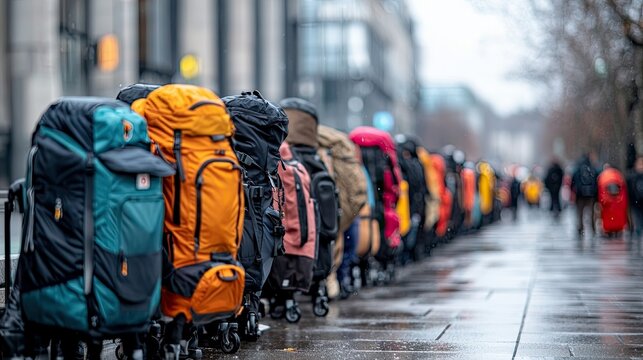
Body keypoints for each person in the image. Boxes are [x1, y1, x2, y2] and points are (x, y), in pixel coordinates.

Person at [571, 153, 599, 236]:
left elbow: (573, 182)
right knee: (591, 213)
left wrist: (574, 191)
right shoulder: (592, 168)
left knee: (580, 213)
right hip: (590, 195)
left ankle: (580, 229)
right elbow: (596, 181)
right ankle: (593, 229)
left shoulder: (578, 169)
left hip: (580, 196)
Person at [627, 156, 643, 240]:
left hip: (638, 200)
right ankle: (637, 231)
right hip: (635, 201)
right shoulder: (632, 176)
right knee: (636, 217)